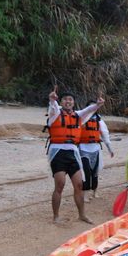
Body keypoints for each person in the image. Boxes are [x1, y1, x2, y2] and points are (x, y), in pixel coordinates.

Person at [46, 87, 104, 224]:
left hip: (73, 152)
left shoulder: (78, 116)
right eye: (65, 99)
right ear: (61, 101)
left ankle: (82, 215)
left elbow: (89, 110)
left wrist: (98, 104)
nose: (68, 101)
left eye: (70, 100)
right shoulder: (55, 113)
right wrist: (52, 100)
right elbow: (53, 107)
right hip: (58, 152)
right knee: (60, 185)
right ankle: (56, 217)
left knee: (79, 185)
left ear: (73, 102)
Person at [79, 100, 115, 201]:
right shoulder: (80, 119)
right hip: (83, 148)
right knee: (85, 172)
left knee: (95, 172)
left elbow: (105, 135)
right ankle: (85, 194)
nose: (93, 108)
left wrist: (110, 149)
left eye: (95, 106)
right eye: (91, 107)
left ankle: (95, 192)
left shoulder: (99, 121)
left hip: (95, 148)